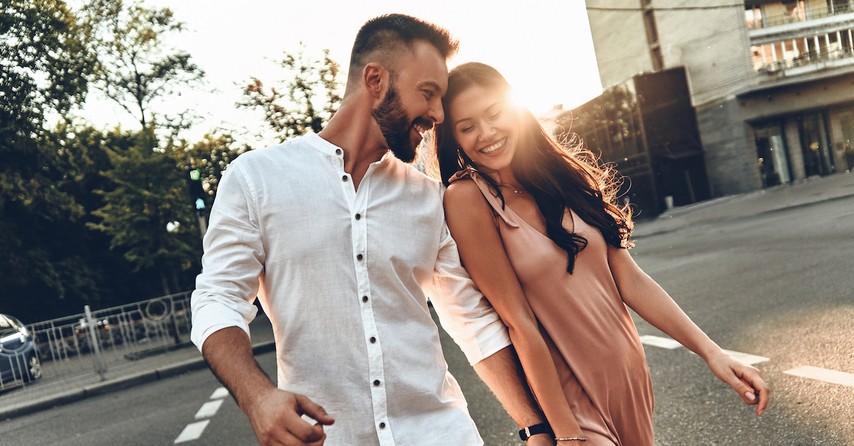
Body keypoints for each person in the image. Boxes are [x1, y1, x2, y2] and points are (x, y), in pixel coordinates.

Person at [191, 15, 556, 446]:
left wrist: (536, 428)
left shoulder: (427, 196)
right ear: (376, 80)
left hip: (442, 434)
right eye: (428, 94)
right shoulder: (256, 179)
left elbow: (471, 320)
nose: (439, 114)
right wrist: (257, 398)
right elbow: (218, 299)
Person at [434, 62, 771, 446]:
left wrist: (712, 353)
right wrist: (564, 433)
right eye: (468, 126)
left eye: (495, 114)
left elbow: (629, 279)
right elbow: (518, 323)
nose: (487, 133)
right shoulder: (467, 199)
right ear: (454, 139)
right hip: (569, 395)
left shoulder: (559, 177)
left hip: (628, 379)